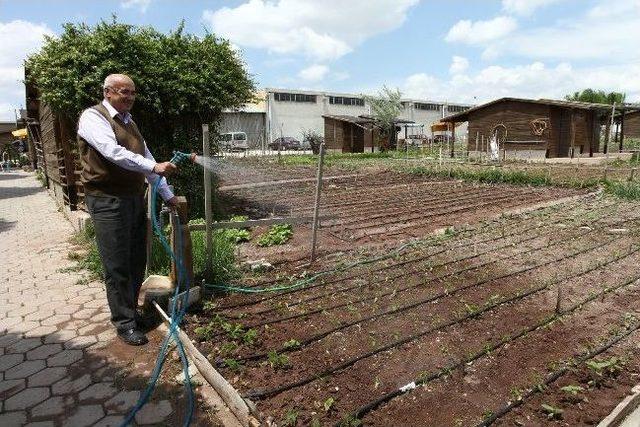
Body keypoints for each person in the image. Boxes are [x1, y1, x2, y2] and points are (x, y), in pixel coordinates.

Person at [77, 73, 178, 345]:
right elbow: (112, 152)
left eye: (132, 93)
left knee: (135, 260)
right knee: (117, 264)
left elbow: (147, 159)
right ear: (108, 92)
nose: (130, 97)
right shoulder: (93, 118)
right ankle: (124, 324)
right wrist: (153, 167)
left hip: (133, 198)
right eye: (124, 92)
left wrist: (167, 194)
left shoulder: (130, 123)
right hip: (107, 199)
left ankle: (131, 312)